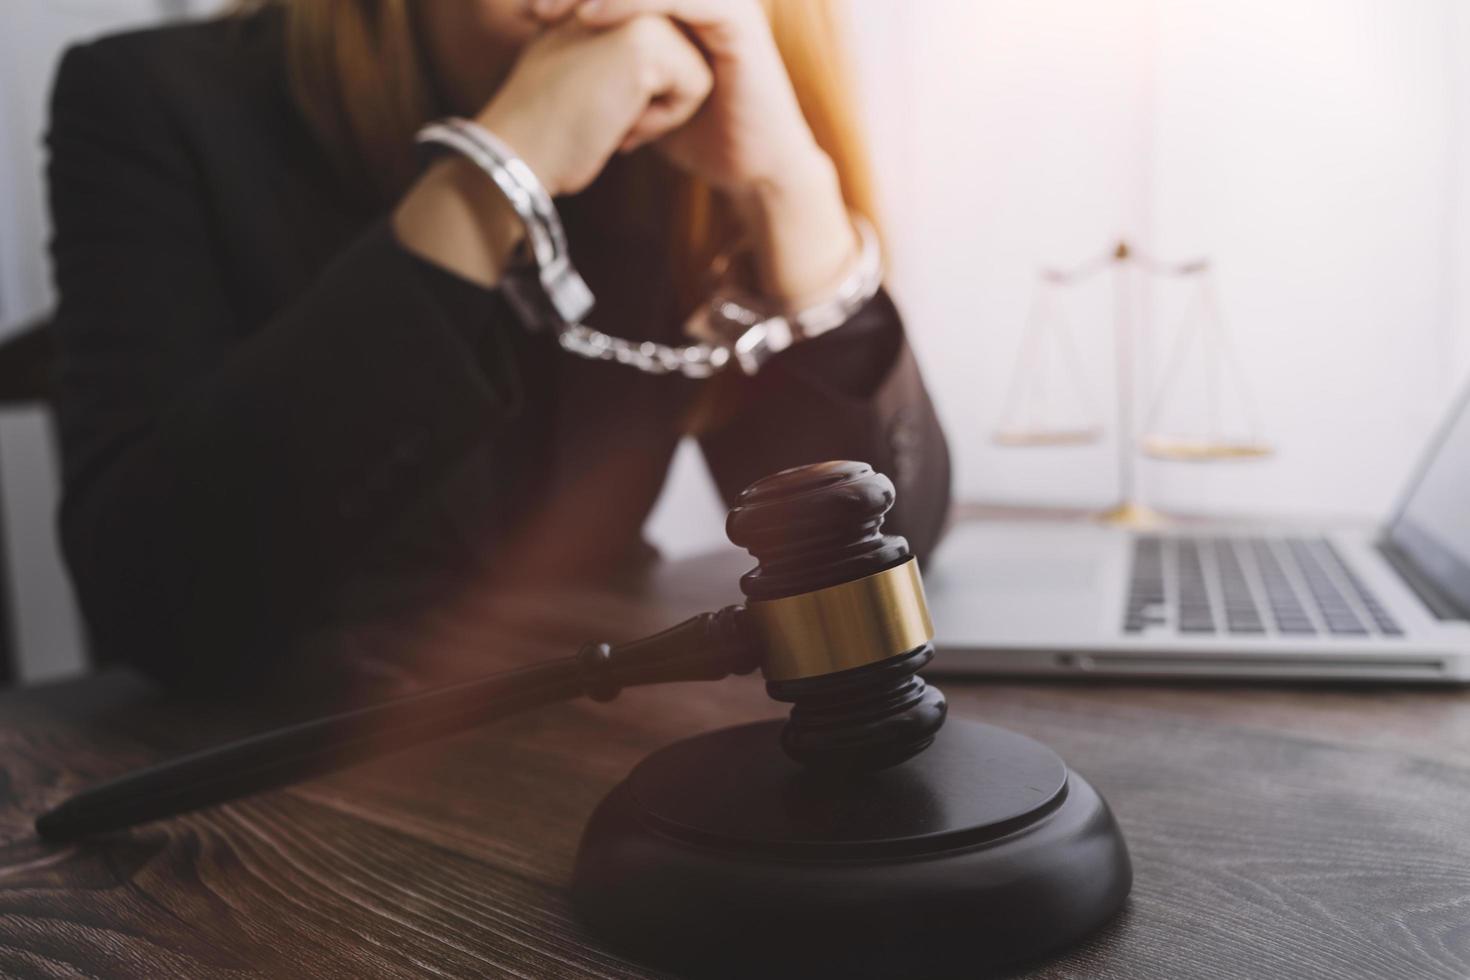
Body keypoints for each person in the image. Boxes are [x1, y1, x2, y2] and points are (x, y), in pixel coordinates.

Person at [46, 0, 951, 690]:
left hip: (597, 707)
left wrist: (785, 184)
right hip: (266, 757)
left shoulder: (682, 100)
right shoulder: (149, 97)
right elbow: (155, 608)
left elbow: (886, 552)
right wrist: (497, 173)